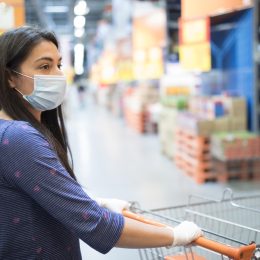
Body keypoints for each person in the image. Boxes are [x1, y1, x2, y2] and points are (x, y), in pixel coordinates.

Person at [0, 26, 202, 259]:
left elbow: (35, 193)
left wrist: (96, 203)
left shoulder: (18, 132)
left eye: (59, 65)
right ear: (10, 77)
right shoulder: (18, 139)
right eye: (45, 66)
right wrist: (174, 235)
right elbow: (96, 226)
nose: (57, 75)